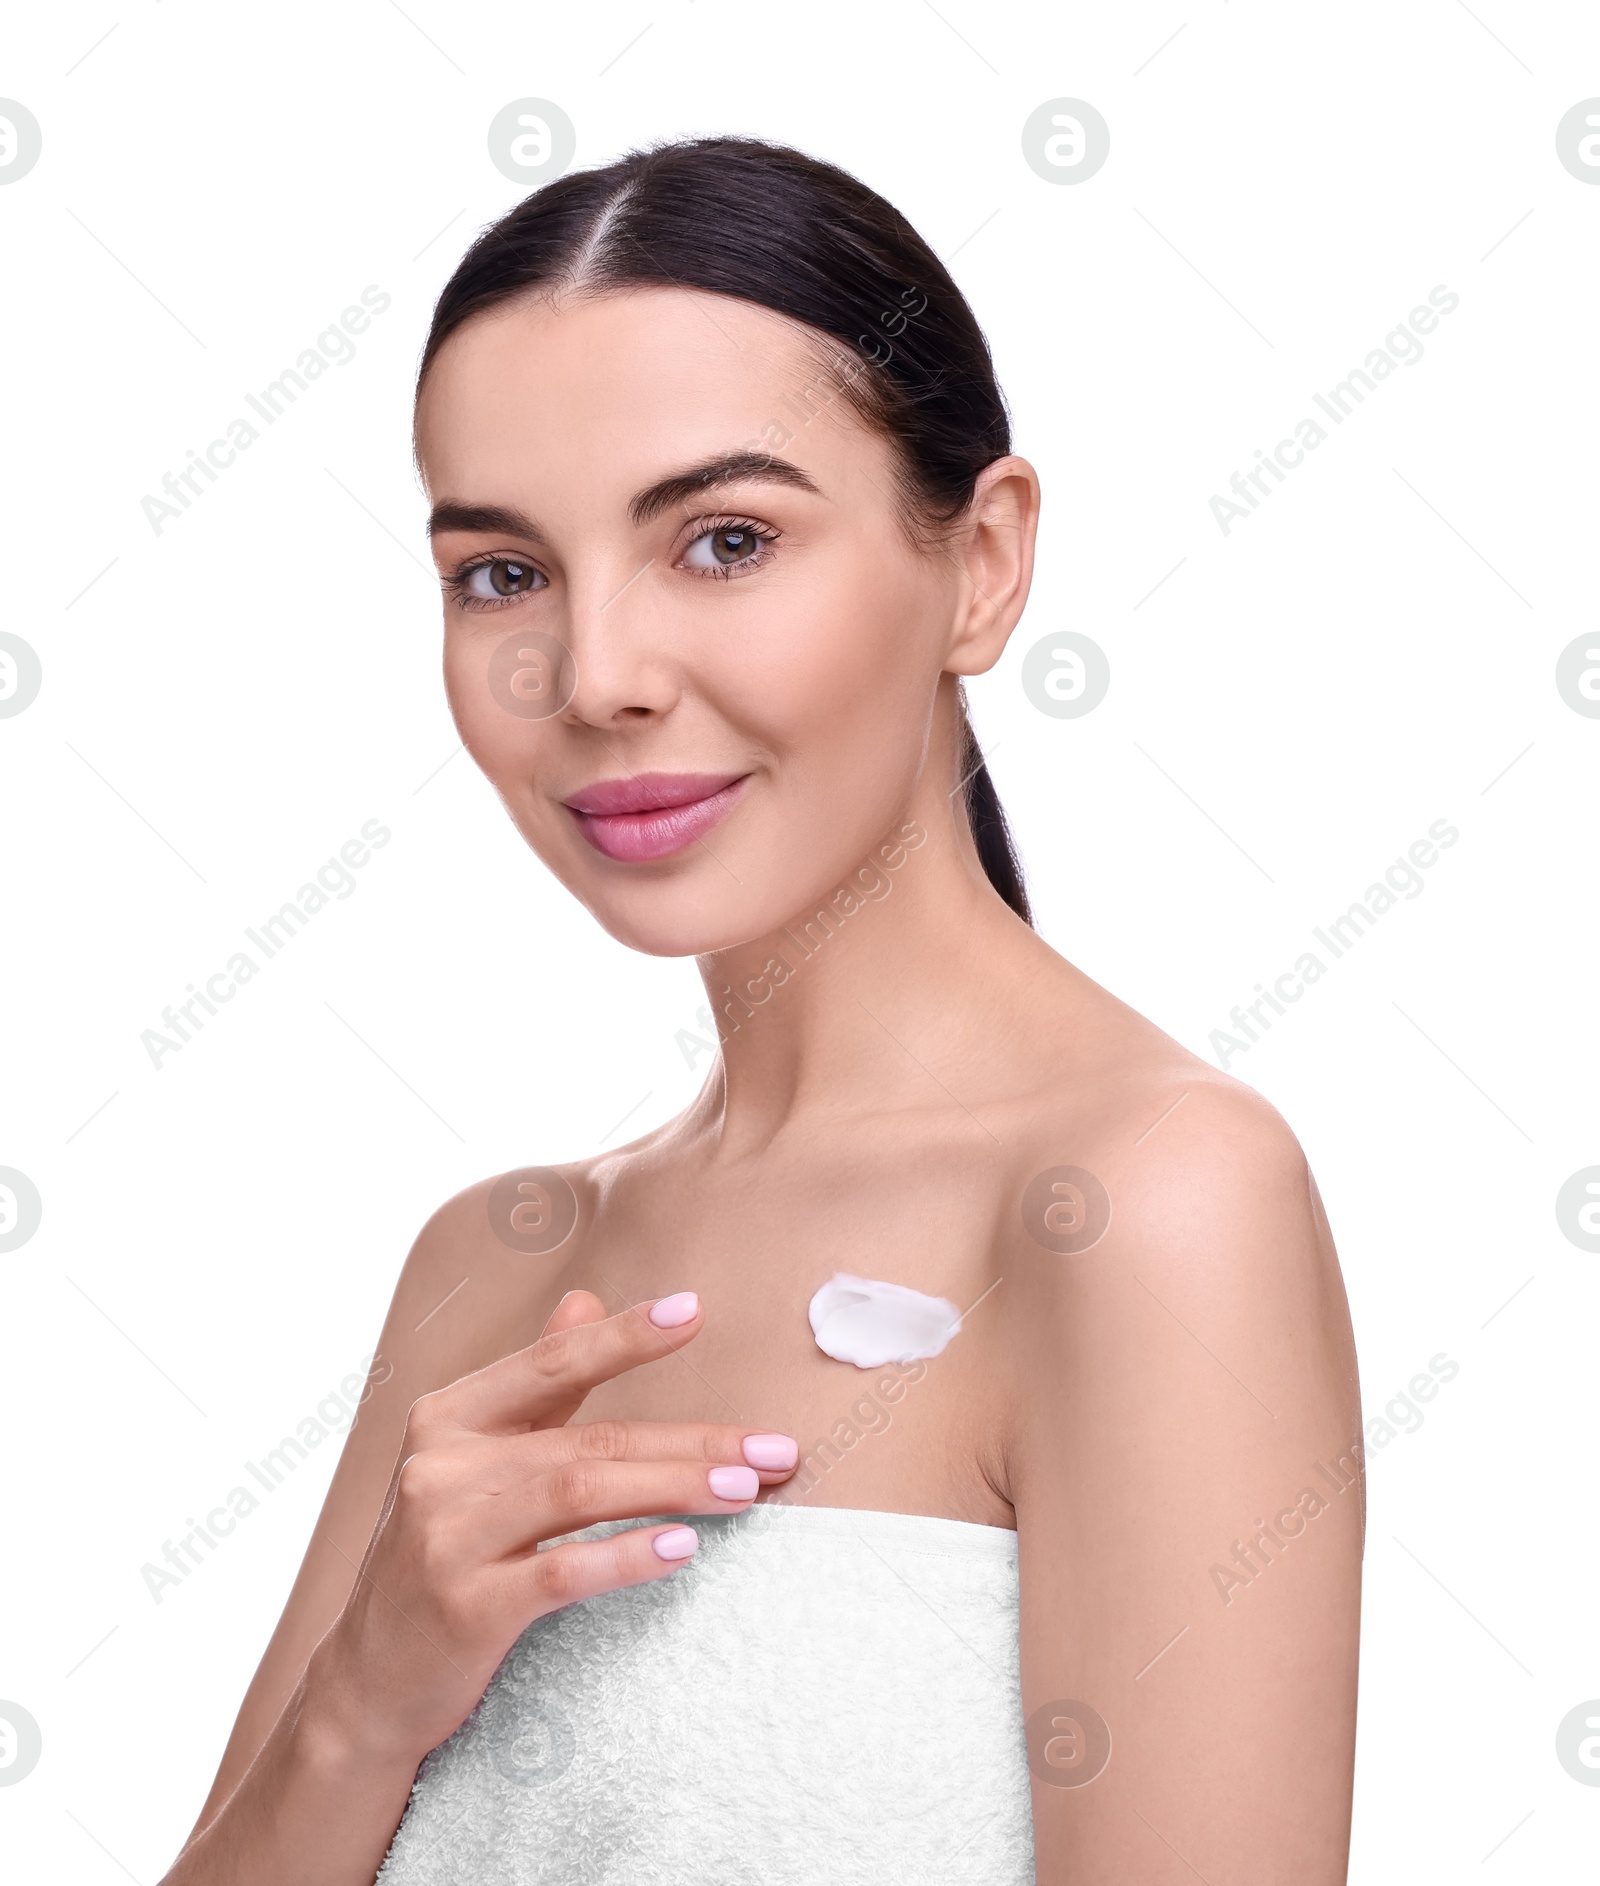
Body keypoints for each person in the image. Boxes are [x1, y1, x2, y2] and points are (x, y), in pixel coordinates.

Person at [162, 137, 1362, 1885]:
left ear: (984, 562)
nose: (597, 676)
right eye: (503, 572)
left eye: (724, 540)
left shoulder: (1147, 1201)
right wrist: (364, 1702)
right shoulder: (492, 1264)